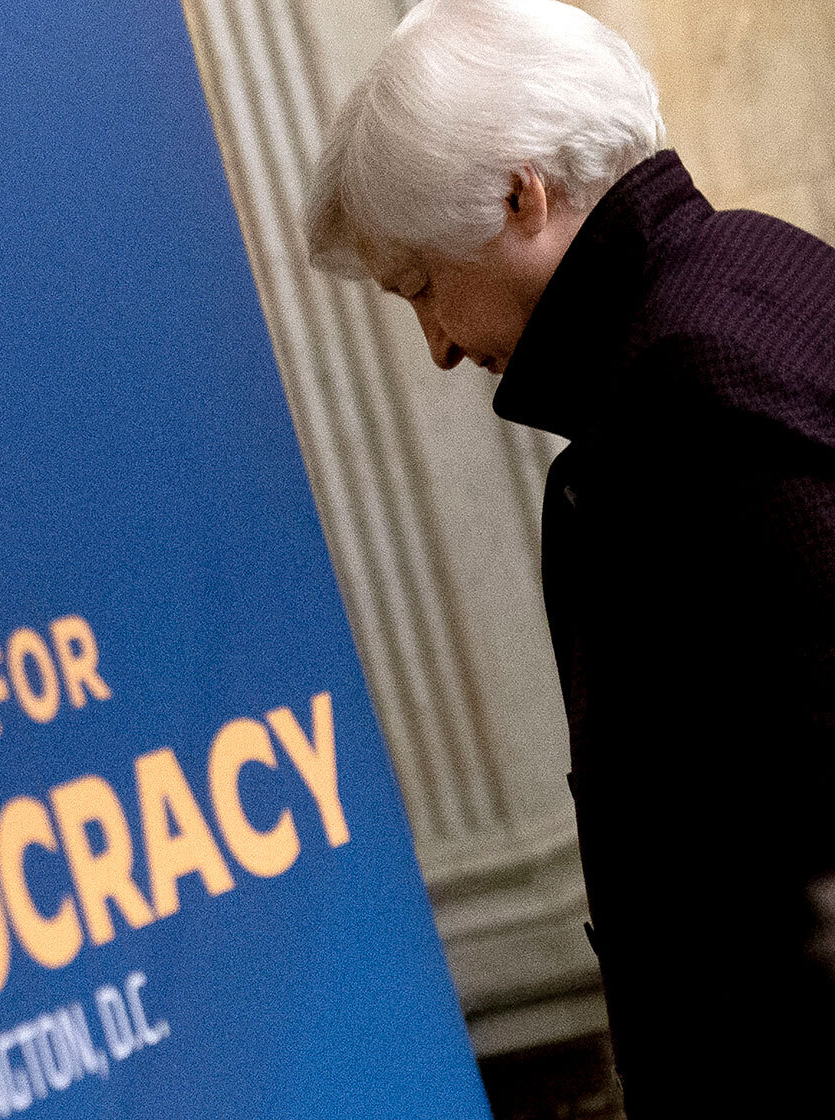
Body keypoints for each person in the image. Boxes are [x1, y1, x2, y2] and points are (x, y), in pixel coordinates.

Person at [303, 0, 835, 1115]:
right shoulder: (766, 266)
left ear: (519, 195)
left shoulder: (684, 394)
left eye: (421, 287)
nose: (440, 346)